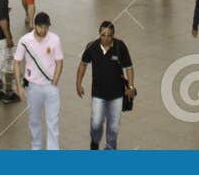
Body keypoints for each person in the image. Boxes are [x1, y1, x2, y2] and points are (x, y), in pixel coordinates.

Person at [75, 20, 135, 149]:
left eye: (109, 35)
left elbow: (129, 67)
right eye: (103, 35)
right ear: (99, 34)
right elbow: (83, 64)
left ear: (113, 35)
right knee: (96, 124)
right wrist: (78, 84)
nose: (106, 38)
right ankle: (95, 141)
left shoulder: (120, 46)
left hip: (117, 95)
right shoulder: (92, 47)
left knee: (113, 128)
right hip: (98, 94)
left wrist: (130, 87)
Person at [13, 12, 64, 150]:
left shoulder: (55, 39)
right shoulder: (25, 40)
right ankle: (36, 147)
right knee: (34, 121)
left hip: (50, 87)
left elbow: (59, 61)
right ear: (35, 26)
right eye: (41, 27)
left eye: (46, 27)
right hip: (32, 87)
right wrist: (19, 86)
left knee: (53, 122)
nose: (43, 30)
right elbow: (17, 62)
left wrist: (55, 80)